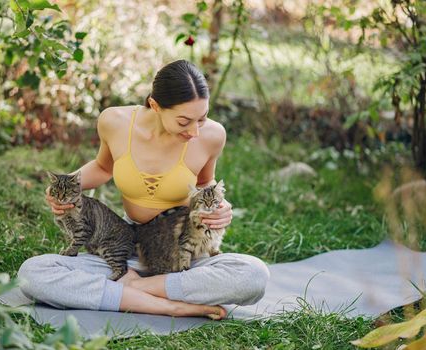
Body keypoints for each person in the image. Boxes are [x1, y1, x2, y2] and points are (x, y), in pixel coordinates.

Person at [17, 59, 270, 319]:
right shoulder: (115, 121)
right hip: (125, 250)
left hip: (180, 253)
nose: (194, 131)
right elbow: (104, 168)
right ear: (155, 105)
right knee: (32, 274)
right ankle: (169, 305)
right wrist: (63, 185)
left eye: (202, 118)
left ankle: (136, 289)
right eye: (184, 121)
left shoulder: (212, 135)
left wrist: (220, 208)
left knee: (254, 275)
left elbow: (205, 185)